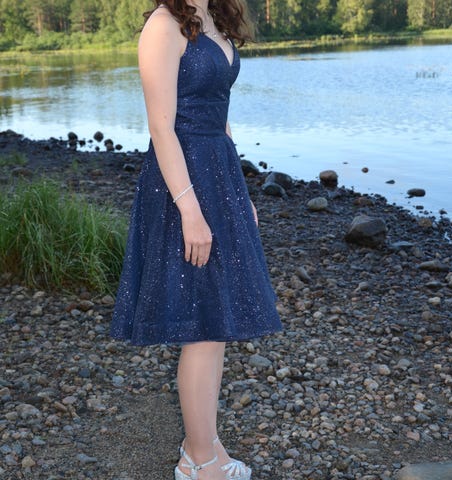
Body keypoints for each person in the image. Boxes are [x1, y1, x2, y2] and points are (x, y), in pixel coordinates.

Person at [110, 0, 282, 479]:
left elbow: (220, 119)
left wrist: (240, 193)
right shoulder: (164, 25)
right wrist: (190, 210)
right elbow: (160, 127)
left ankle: (203, 444)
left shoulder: (216, 18)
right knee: (203, 327)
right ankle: (198, 462)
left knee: (216, 322)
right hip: (181, 183)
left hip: (219, 175)